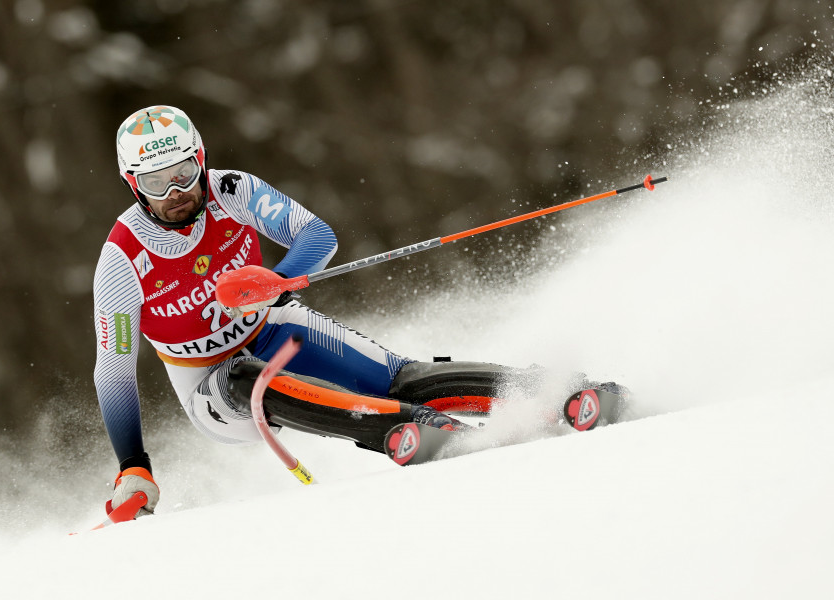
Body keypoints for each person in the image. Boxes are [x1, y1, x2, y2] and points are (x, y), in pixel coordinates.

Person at [94, 105, 624, 518]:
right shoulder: (123, 258)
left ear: (201, 157)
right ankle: (400, 430)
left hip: (270, 326)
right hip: (208, 383)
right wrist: (133, 468)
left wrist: (277, 283)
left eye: (185, 172)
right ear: (132, 183)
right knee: (247, 378)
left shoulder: (232, 191)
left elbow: (317, 236)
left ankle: (553, 391)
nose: (178, 193)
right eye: (157, 183)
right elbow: (114, 372)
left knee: (398, 376)